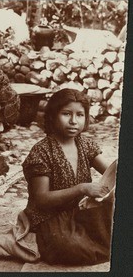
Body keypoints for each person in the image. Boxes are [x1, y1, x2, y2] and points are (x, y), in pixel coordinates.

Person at [22, 88, 115, 265]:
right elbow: (41, 199)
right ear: (52, 116)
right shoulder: (41, 152)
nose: (73, 121)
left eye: (80, 115)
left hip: (81, 211)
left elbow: (111, 171)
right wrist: (82, 188)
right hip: (51, 217)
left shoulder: (85, 144)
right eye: (66, 114)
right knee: (69, 248)